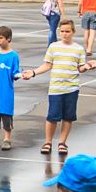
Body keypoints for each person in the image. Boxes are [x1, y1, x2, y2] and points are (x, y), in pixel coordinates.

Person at [25, 18, 88, 156]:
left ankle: (62, 143)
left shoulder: (78, 49)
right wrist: (33, 72)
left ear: (73, 32)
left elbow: (81, 67)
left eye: (67, 31)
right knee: (52, 117)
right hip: (55, 89)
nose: (65, 34)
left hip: (71, 88)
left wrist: (87, 67)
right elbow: (47, 65)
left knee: (68, 117)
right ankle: (48, 142)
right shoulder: (53, 47)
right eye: (62, 31)